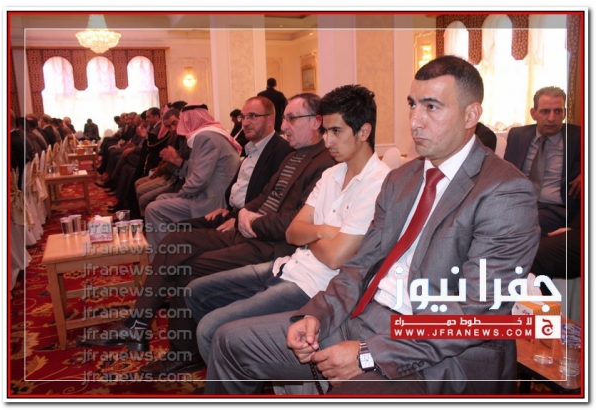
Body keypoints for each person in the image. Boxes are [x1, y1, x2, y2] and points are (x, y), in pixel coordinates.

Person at [203, 55, 541, 395]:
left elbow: (474, 312)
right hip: (365, 318)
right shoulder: (402, 179)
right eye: (412, 105)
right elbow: (359, 265)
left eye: (432, 107)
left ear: (470, 115)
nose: (415, 121)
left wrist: (369, 354)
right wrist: (316, 315)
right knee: (230, 341)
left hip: (441, 356)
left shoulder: (505, 191)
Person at [78, 93, 335, 376]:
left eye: (291, 119)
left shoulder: (324, 163)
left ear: (316, 122)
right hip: (247, 231)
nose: (284, 126)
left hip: (271, 246)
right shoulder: (294, 155)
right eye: (284, 118)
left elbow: (296, 221)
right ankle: (138, 324)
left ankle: (183, 353)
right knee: (175, 241)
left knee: (185, 268)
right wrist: (241, 215)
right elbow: (262, 197)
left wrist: (252, 222)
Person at [186, 84, 390, 365]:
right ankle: (239, 368)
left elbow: (334, 257)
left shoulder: (379, 184)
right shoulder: (331, 173)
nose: (327, 140)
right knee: (195, 292)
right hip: (289, 264)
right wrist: (323, 231)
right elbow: (294, 232)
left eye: (335, 131)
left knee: (211, 328)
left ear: (364, 132)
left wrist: (310, 235)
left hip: (314, 287)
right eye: (325, 130)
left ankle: (235, 369)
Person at [144, 102, 242, 256]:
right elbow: (195, 171)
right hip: (205, 194)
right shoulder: (207, 135)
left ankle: (163, 257)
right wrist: (178, 162)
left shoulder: (206, 137)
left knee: (153, 209)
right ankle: (175, 251)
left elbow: (199, 180)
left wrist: (181, 194)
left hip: (212, 201)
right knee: (161, 198)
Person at [504, 86, 581, 236]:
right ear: (533, 113)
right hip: (517, 204)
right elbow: (504, 171)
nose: (551, 118)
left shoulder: (579, 136)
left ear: (564, 113)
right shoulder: (517, 135)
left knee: (516, 226)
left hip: (555, 209)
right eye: (545, 111)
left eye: (558, 111)